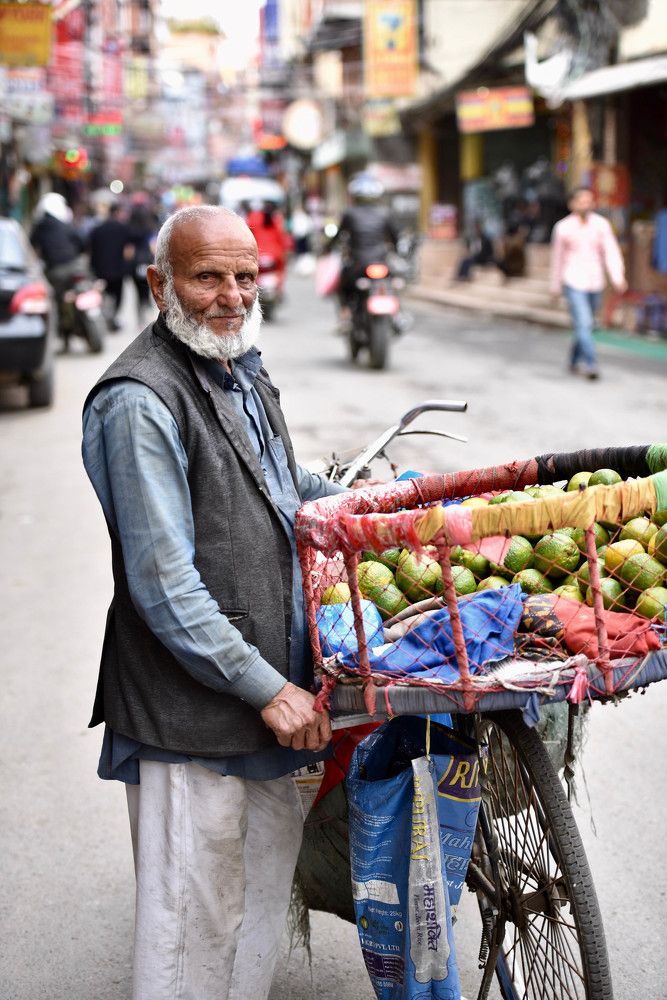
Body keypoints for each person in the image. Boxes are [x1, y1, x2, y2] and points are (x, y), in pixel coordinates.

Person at [81, 205, 345, 1000]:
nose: (230, 295)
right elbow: (163, 584)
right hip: (192, 712)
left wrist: (361, 506)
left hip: (268, 689)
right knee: (193, 923)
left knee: (253, 907)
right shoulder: (139, 400)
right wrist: (268, 688)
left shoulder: (239, 366)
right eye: (207, 278)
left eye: (244, 276)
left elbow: (278, 487)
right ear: (160, 284)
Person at [550, 186, 627, 379]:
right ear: (572, 204)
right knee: (583, 322)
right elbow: (557, 258)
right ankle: (591, 364)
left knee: (586, 324)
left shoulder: (601, 225)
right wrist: (555, 286)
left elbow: (611, 252)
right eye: (581, 200)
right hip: (573, 280)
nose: (586, 204)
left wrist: (617, 276)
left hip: (595, 282)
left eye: (588, 200)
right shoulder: (562, 228)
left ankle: (573, 360)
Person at [333, 172, 399, 323]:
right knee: (393, 282)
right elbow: (395, 238)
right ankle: (397, 314)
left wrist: (327, 248)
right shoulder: (385, 213)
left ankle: (345, 312)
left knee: (343, 285)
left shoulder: (349, 213)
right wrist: (396, 251)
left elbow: (338, 236)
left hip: (357, 263)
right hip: (382, 262)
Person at [29, 192, 84, 295]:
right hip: (72, 265)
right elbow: (80, 242)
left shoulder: (41, 226)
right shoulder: (66, 225)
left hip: (55, 270)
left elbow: (31, 245)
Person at [88, 203, 131, 330]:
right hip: (118, 269)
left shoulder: (97, 229)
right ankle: (113, 318)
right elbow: (128, 250)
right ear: (117, 212)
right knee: (117, 295)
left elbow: (91, 250)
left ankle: (105, 318)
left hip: (100, 269)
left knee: (102, 295)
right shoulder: (123, 228)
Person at [126, 200, 159, 323]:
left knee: (137, 291)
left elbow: (128, 252)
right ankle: (146, 306)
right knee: (146, 287)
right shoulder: (149, 229)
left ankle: (140, 312)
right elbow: (153, 247)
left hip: (134, 264)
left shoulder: (129, 230)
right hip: (146, 262)